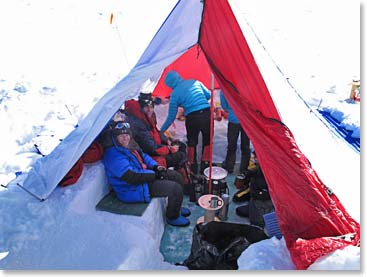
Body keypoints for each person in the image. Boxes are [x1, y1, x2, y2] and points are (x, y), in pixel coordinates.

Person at [103, 121, 191, 227]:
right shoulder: (113, 155)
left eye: (127, 135)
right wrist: (155, 175)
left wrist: (155, 167)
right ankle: (172, 217)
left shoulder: (128, 145)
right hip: (133, 188)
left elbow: (143, 156)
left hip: (143, 178)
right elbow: (131, 177)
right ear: (115, 137)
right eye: (121, 136)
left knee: (176, 176)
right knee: (174, 189)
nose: (125, 138)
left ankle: (176, 208)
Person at [124, 93, 191, 187]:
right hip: (151, 155)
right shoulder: (138, 124)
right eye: (147, 107)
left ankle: (185, 176)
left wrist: (166, 139)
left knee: (180, 145)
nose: (150, 109)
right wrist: (170, 149)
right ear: (141, 107)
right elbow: (150, 147)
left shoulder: (148, 116)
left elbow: (155, 131)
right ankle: (184, 180)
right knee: (179, 155)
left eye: (151, 106)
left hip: (156, 146)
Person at [161, 70, 212, 175]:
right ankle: (205, 165)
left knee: (192, 142)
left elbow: (171, 116)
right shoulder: (195, 82)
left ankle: (192, 167)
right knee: (207, 140)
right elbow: (208, 95)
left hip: (193, 117)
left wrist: (161, 131)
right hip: (207, 113)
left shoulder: (174, 94)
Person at [220, 91, 251, 174]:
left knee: (232, 145)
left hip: (234, 120)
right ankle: (244, 169)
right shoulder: (246, 85)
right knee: (246, 145)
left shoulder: (224, 89)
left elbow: (224, 106)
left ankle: (229, 167)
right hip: (246, 120)